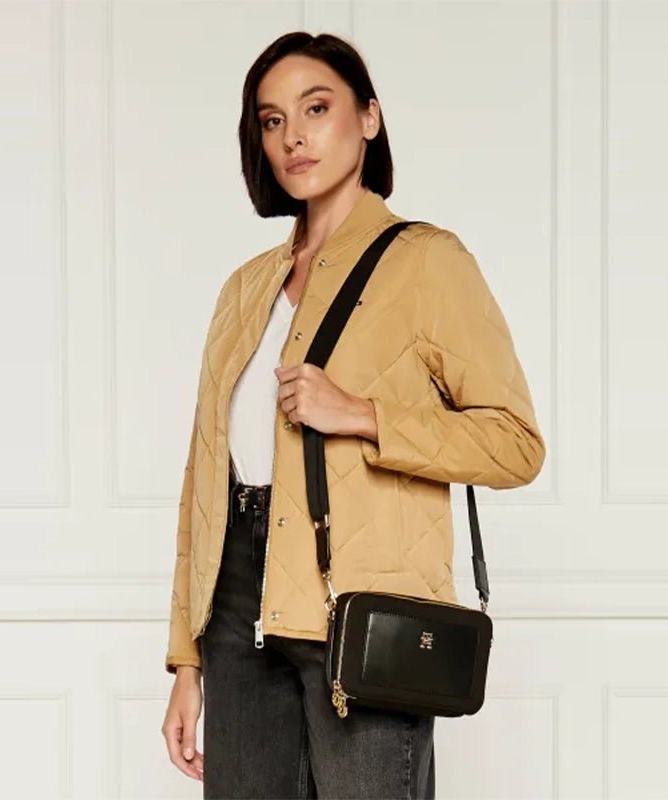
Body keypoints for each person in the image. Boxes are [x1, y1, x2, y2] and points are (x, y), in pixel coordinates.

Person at [161, 30, 546, 799]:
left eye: (316, 108)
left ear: (369, 117)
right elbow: (204, 480)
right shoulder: (246, 288)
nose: (293, 137)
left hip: (359, 606)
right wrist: (187, 660)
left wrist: (366, 415)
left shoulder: (427, 262)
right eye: (272, 120)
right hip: (237, 605)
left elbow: (515, 444)